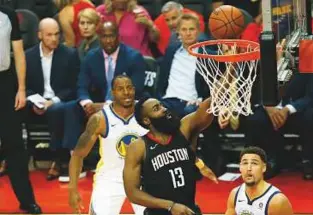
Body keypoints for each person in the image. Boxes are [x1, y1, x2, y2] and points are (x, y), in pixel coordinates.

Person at [68, 75, 217, 214]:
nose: (126, 92)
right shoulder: (100, 119)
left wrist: (198, 163)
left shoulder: (149, 110)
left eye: (129, 87)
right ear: (112, 92)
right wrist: (73, 189)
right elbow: (78, 155)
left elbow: (174, 139)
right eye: (120, 89)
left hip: (144, 179)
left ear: (134, 89)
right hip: (110, 178)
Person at [61, 21, 146, 177]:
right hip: (94, 105)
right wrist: (87, 103)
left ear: (118, 37)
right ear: (99, 37)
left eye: (111, 36)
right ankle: (75, 161)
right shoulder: (91, 57)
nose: (108, 40)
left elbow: (136, 89)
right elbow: (81, 85)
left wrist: (106, 106)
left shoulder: (134, 57)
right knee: (71, 108)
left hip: (125, 104)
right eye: (104, 37)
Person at [123, 92, 216, 215]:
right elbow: (132, 193)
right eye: (157, 109)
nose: (164, 109)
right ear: (146, 120)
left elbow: (208, 107)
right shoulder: (138, 146)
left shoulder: (183, 129)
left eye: (162, 105)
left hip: (189, 210)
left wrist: (230, 75)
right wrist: (170, 206)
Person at [25, 18, 80, 181]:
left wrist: (53, 101)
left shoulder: (69, 54)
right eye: (49, 35)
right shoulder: (28, 56)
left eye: (57, 34)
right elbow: (23, 86)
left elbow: (73, 87)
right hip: (35, 102)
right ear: (40, 35)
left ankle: (57, 159)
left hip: (59, 102)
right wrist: (34, 101)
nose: (54, 38)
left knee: (57, 110)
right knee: (11, 108)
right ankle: (10, 157)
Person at [0, 5, 41, 214]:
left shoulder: (7, 14)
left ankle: (26, 200)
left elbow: (19, 54)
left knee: (14, 145)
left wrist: (22, 89)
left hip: (5, 83)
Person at [225, 146, 293, 215]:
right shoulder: (235, 194)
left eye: (254, 163)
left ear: (264, 168)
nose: (249, 168)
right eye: (245, 163)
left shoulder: (277, 201)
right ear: (240, 167)